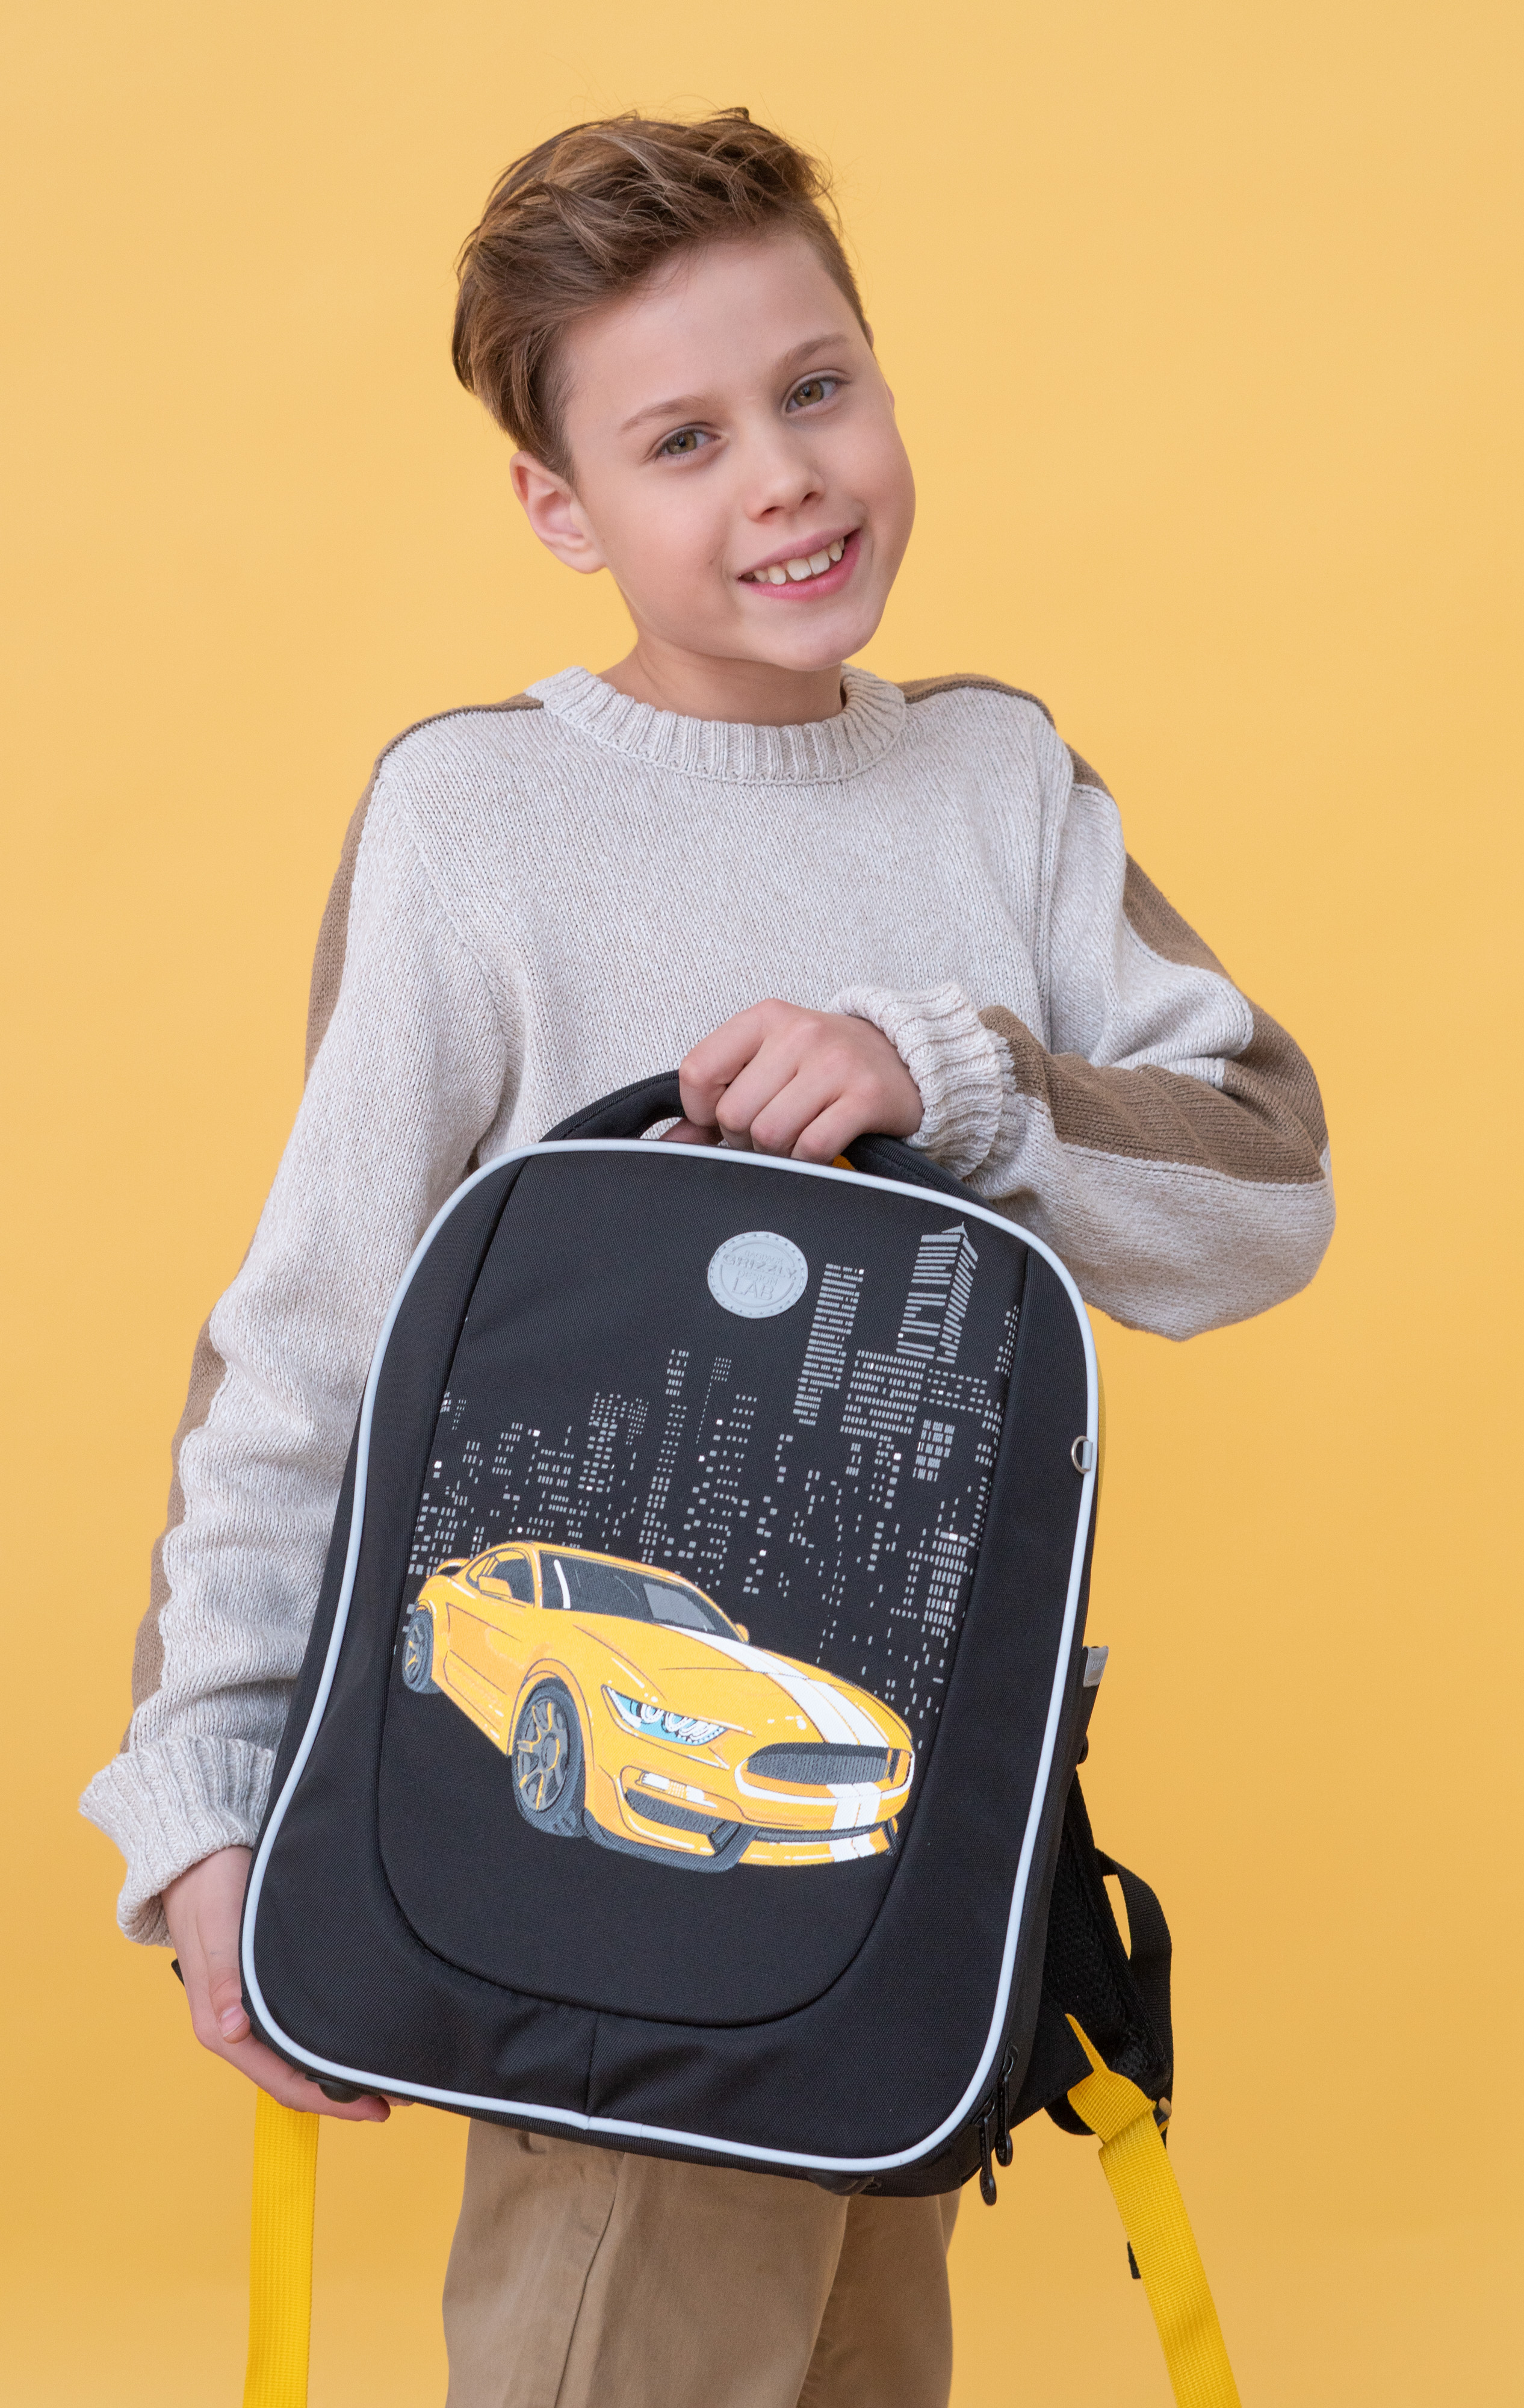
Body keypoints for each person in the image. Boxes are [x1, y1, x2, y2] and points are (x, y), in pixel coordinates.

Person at [82, 110, 1333, 2408]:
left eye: (816, 387)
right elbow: (314, 1344)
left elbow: (1264, 1200)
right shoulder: (479, 824)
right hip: (607, 1907)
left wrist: (953, 1079)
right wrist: (204, 1801)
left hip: (914, 1877)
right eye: (681, 439)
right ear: (560, 505)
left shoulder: (1000, 788)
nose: (784, 478)